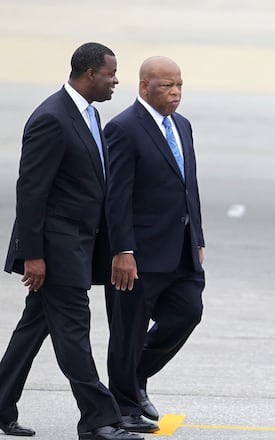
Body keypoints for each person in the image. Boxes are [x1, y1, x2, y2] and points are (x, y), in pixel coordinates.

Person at [0, 42, 143, 440]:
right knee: (74, 332)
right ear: (88, 73)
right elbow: (31, 190)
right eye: (111, 73)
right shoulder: (51, 118)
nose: (116, 81)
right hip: (56, 249)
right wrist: (33, 255)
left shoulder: (90, 114)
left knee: (34, 327)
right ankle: (98, 419)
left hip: (78, 245)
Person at [103, 56, 205, 434]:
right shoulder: (124, 129)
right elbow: (116, 196)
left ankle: (133, 378)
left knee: (187, 312)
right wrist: (122, 250)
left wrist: (197, 238)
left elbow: (187, 186)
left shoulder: (183, 125)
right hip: (138, 255)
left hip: (180, 249)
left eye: (179, 84)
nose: (175, 92)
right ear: (144, 86)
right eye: (166, 85)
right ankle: (124, 408)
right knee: (128, 331)